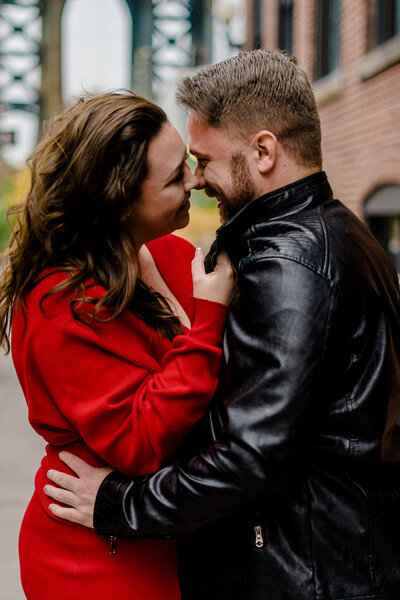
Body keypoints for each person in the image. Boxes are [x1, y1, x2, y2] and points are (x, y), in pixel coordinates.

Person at [44, 50, 400, 600]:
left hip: (304, 575)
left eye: (204, 159)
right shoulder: (338, 232)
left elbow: (251, 455)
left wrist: (119, 503)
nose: (197, 177)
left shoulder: (288, 265)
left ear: (263, 151)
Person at [0, 92, 235, 600]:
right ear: (119, 201)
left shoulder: (169, 252)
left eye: (190, 166)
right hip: (94, 556)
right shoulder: (59, 301)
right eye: (175, 179)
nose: (196, 182)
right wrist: (210, 317)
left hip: (167, 535)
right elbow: (139, 440)